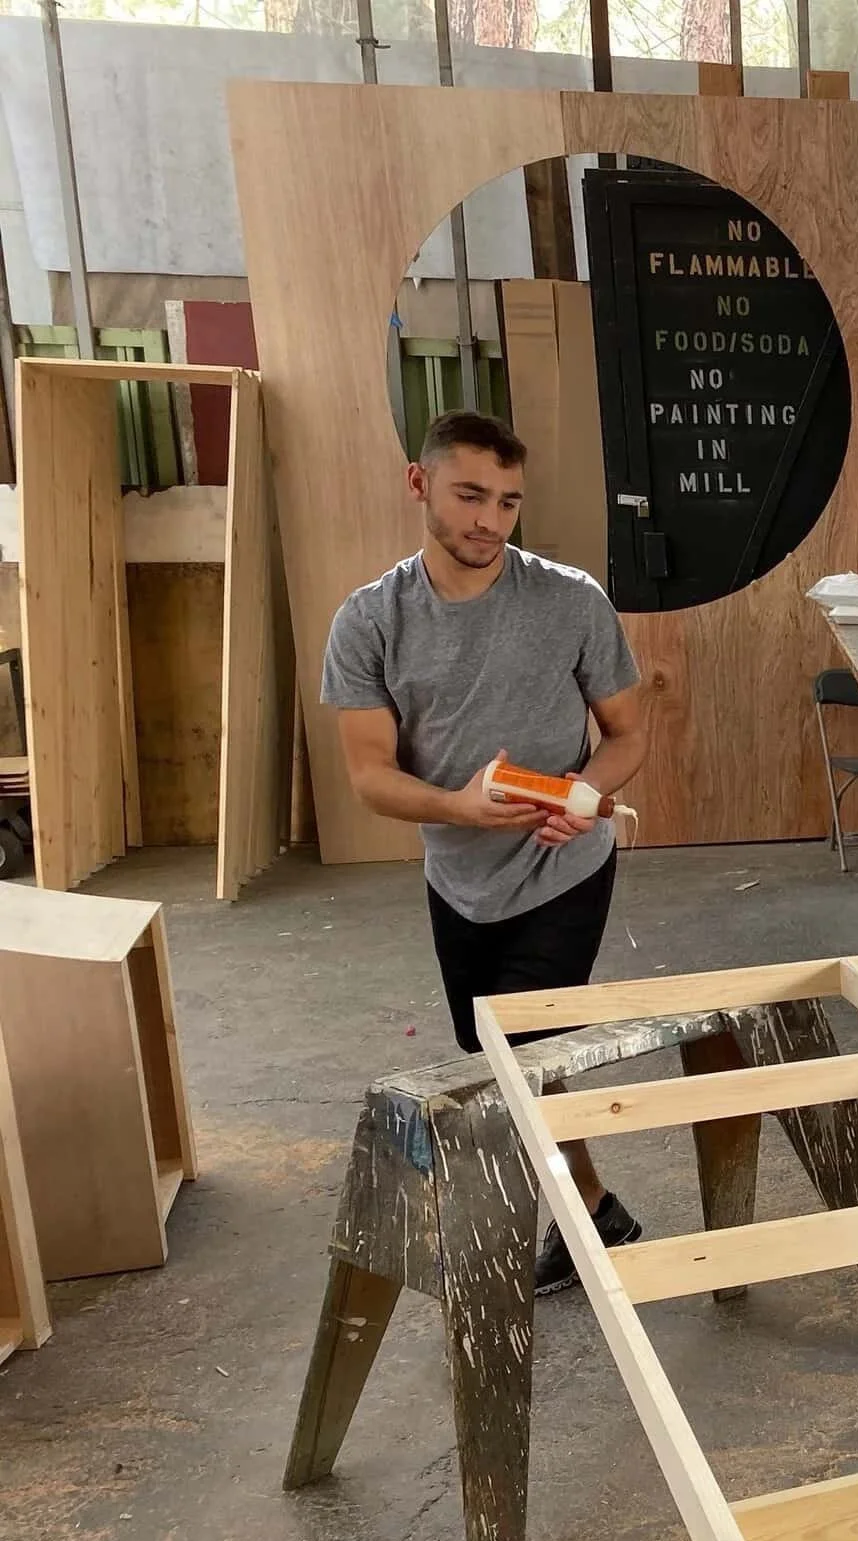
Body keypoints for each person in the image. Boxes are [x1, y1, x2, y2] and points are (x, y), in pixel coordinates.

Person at [322, 410, 650, 1296]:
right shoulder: (370, 623)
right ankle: (597, 1206)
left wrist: (583, 801)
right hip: (458, 880)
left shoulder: (570, 599)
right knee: (496, 1053)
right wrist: (460, 809)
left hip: (564, 864)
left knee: (524, 1050)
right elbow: (369, 777)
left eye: (507, 502)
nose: (490, 521)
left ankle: (534, 1244)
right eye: (470, 495)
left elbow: (626, 734)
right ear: (419, 483)